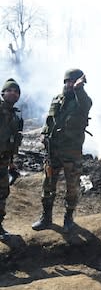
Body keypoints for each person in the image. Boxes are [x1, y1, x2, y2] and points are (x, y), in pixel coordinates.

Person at [32, 69, 92, 233]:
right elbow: (49, 121)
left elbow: (86, 104)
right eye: (68, 81)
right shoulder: (56, 99)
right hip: (53, 152)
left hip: (71, 153)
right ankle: (46, 218)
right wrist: (44, 135)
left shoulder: (83, 101)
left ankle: (68, 219)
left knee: (72, 187)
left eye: (73, 82)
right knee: (48, 184)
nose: (70, 84)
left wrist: (80, 89)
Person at [0, 79, 23, 239]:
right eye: (10, 90)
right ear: (3, 93)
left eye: (16, 91)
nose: (13, 93)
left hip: (3, 161)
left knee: (2, 192)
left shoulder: (16, 117)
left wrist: (11, 163)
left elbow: (13, 142)